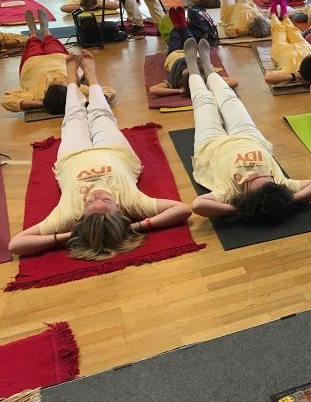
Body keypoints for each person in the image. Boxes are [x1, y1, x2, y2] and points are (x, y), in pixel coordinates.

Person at [8, 50, 191, 260]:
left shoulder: (68, 214)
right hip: (116, 152)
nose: (96, 195)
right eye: (105, 199)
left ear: (80, 218)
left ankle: (72, 79)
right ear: (120, 211)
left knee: (74, 117)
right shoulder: (132, 203)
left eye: (88, 203)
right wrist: (137, 226)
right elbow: (182, 209)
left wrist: (69, 235)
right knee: (101, 115)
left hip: (73, 157)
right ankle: (92, 77)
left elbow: (16, 244)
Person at [184, 38, 311, 221]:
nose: (254, 174)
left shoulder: (229, 192)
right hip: (249, 137)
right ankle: (208, 67)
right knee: (229, 99)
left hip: (211, 146)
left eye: (250, 181)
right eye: (264, 178)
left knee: (204, 102)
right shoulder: (281, 184)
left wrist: (239, 209)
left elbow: (198, 205)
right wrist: (288, 199)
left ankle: (193, 69)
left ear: (246, 196)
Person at [3, 10, 116, 113]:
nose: (55, 78)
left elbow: (6, 101)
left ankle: (33, 33)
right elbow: (110, 92)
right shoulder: (76, 89)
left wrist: (43, 104)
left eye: (52, 83)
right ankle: (46, 31)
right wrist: (86, 100)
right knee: (51, 41)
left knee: (32, 43)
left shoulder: (34, 95)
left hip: (33, 62)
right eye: (61, 81)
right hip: (58, 58)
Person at [150, 7, 238, 97]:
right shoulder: (204, 75)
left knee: (175, 39)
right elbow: (233, 82)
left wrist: (180, 91)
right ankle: (183, 26)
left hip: (174, 55)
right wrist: (209, 87)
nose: (188, 67)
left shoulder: (176, 79)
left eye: (187, 70)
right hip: (193, 53)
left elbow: (153, 89)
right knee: (190, 39)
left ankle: (177, 26)